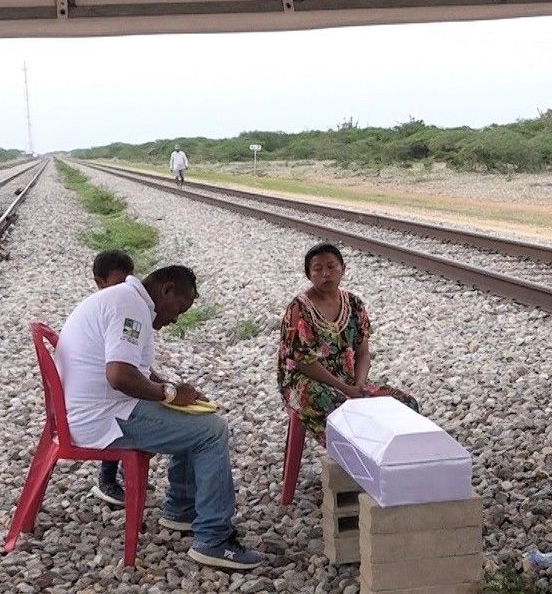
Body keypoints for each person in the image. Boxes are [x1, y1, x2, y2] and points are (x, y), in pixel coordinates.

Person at [56, 264, 263, 570]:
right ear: (166, 289)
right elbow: (120, 376)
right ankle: (214, 539)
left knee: (194, 421)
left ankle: (181, 509)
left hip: (96, 408)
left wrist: (174, 393)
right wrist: (168, 395)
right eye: (180, 307)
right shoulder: (130, 307)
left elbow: (136, 369)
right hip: (102, 416)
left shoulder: (126, 299)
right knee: (212, 430)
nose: (176, 318)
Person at [278, 243, 418, 443]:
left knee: (405, 403)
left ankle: (392, 457)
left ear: (343, 269)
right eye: (318, 269)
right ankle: (357, 459)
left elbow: (363, 353)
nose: (326, 273)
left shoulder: (354, 304)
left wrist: (360, 383)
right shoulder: (299, 308)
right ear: (309, 275)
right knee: (343, 409)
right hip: (306, 382)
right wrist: (345, 389)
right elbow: (303, 362)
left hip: (349, 380)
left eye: (331, 266)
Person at [89, 249, 137, 507]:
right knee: (128, 405)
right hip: (98, 399)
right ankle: (106, 479)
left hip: (102, 387)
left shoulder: (111, 305)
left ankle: (128, 471)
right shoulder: (108, 308)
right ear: (100, 283)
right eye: (120, 283)